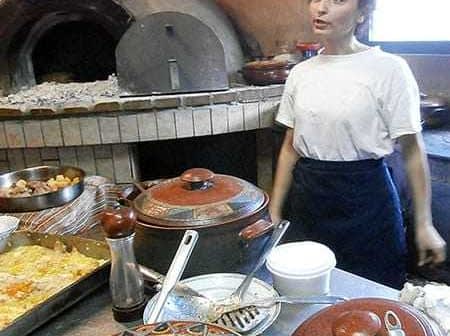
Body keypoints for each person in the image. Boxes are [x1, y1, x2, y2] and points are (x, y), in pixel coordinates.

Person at [269, 0, 446, 289]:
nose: (320, 8)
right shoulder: (301, 73)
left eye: (337, 0)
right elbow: (290, 147)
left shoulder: (390, 69)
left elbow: (413, 151)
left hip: (367, 202)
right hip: (309, 201)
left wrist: (424, 223)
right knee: (309, 297)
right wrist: (274, 211)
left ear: (363, 13)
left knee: (372, 295)